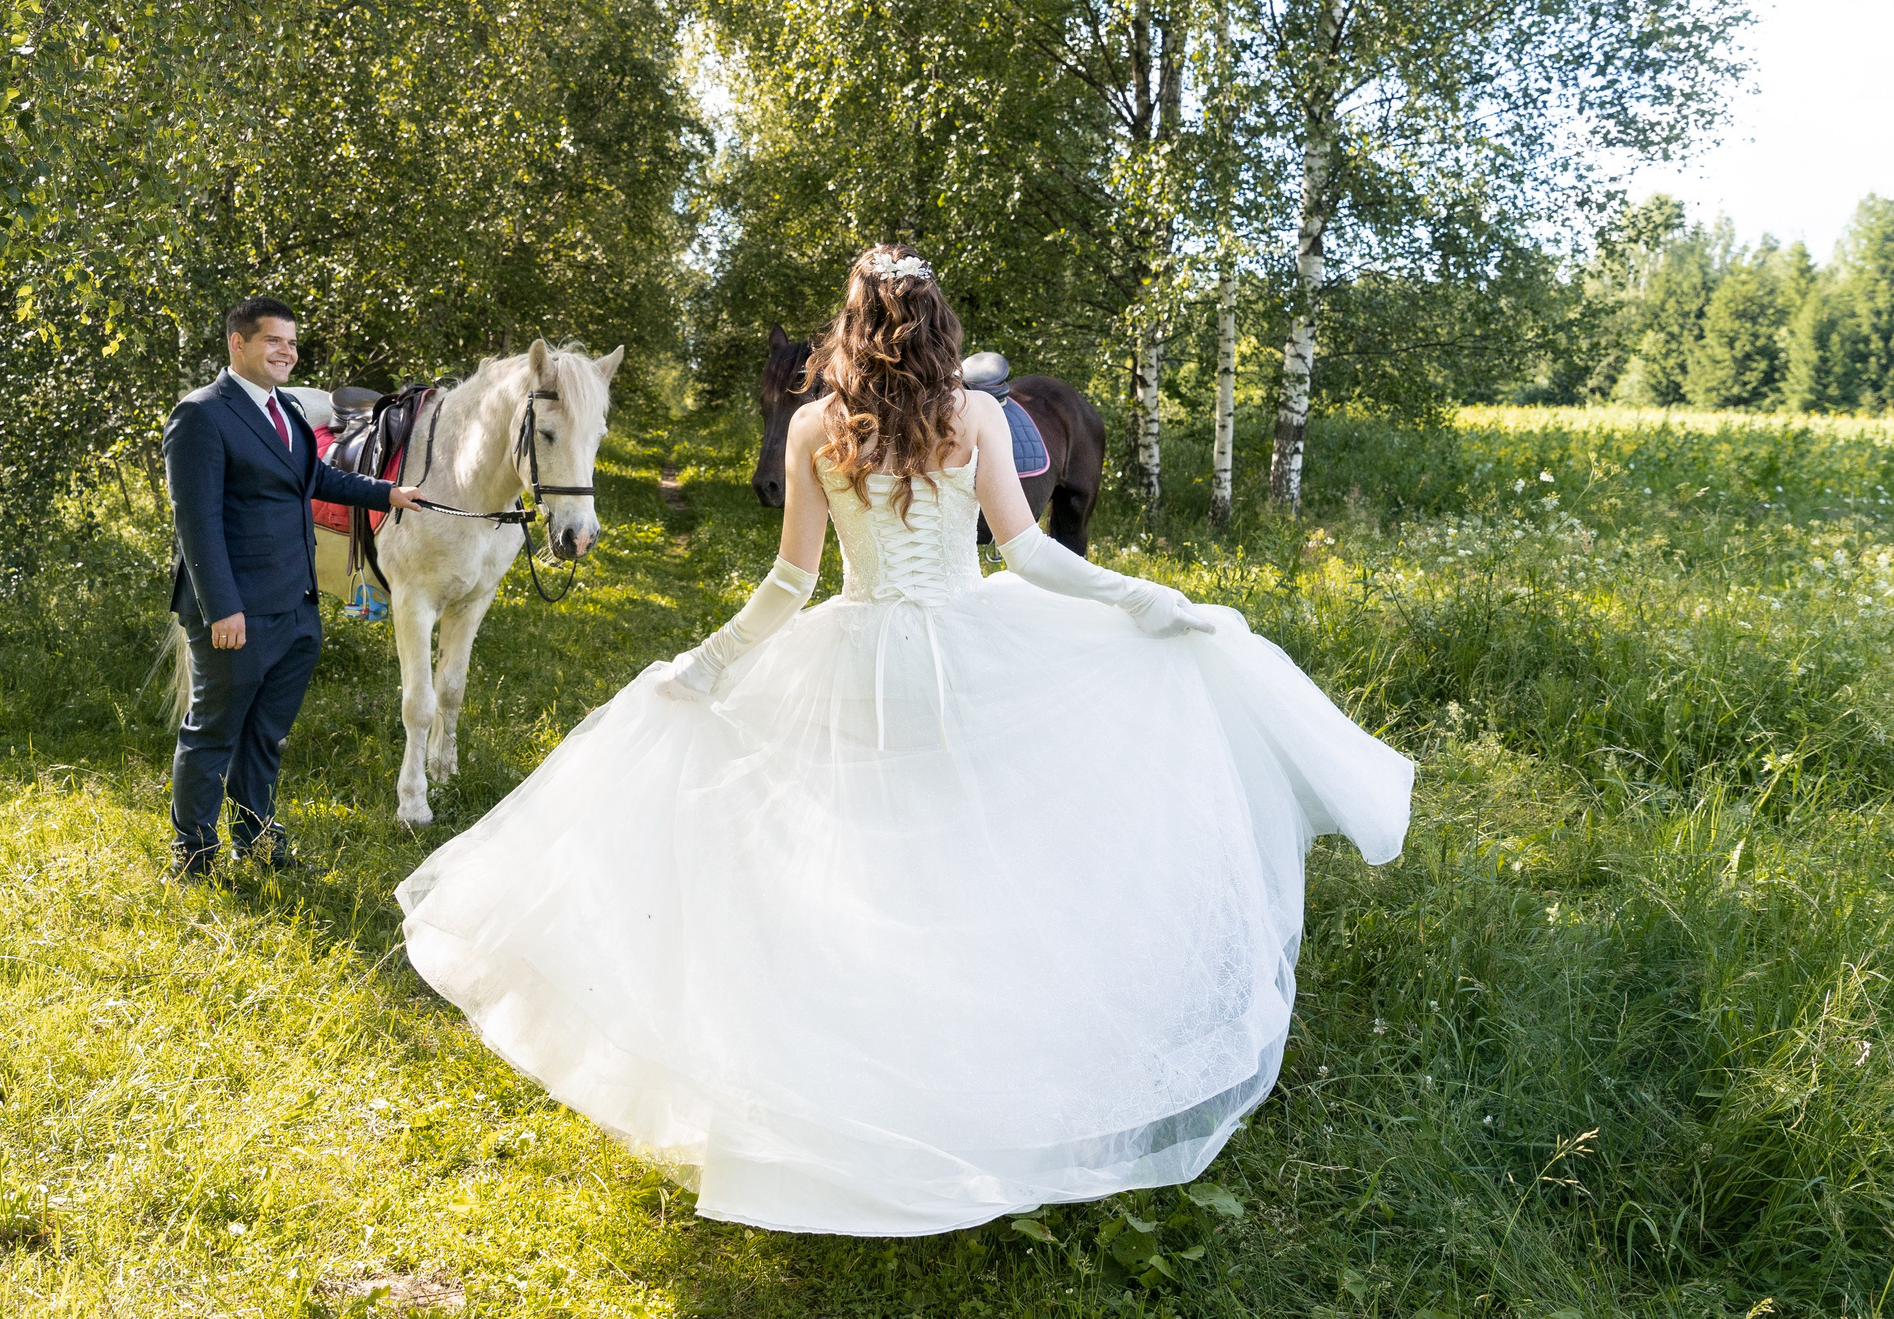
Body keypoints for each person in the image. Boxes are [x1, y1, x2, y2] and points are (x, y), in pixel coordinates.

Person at [396, 246, 1415, 1235]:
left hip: (857, 657)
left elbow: (791, 584)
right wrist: (1145, 599)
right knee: (973, 860)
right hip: (967, 653)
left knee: (858, 864)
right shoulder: (973, 413)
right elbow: (1031, 558)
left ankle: (847, 1093)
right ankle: (980, 1080)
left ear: (849, 325)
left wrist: (704, 666)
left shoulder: (810, 427)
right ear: (938, 328)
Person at [164, 296, 422, 878]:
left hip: (296, 604)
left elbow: (314, 479)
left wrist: (388, 494)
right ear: (239, 343)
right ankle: (194, 854)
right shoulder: (202, 414)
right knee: (213, 731)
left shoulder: (287, 410)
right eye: (274, 341)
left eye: (293, 342)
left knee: (266, 733)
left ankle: (253, 840)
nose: (288, 352)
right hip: (235, 609)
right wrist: (222, 609)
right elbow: (196, 522)